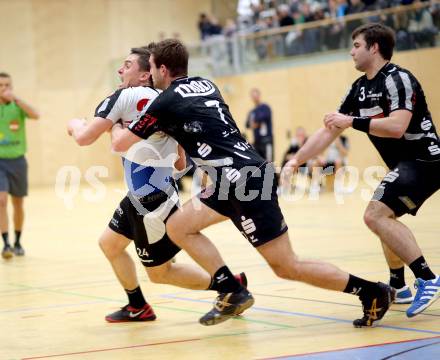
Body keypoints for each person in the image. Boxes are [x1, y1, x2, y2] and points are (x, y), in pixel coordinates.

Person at [112, 38, 395, 328]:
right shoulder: (207, 84)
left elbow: (122, 143)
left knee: (286, 266)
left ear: (160, 69)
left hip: (246, 181)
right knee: (178, 226)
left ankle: (371, 291)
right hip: (234, 178)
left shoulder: (165, 102)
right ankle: (231, 289)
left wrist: (114, 115)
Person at [67, 47, 247, 322]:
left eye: (127, 65)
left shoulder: (124, 96)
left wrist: (74, 124)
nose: (119, 70)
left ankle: (229, 286)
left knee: (160, 273)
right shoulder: (166, 103)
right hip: (151, 194)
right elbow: (179, 165)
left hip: (150, 202)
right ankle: (137, 305)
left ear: (143, 76)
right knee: (109, 244)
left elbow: (83, 138)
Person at [283, 23, 440, 317]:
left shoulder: (398, 79)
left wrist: (352, 122)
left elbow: (397, 127)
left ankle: (428, 279)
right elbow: (329, 130)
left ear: (374, 47)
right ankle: (399, 287)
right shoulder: (358, 89)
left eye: (356, 45)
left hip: (426, 161)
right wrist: (297, 160)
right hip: (404, 165)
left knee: (375, 214)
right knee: (384, 217)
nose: (351, 51)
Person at [0, 72, 39, 259]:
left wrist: (16, 99)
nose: (5, 89)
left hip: (18, 161)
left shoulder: (18, 106)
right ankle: (6, 244)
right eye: (1, 86)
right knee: (1, 201)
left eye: (8, 85)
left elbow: (36, 115)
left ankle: (17, 242)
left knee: (18, 203)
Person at [246, 88, 274, 163]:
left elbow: (262, 117)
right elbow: (247, 124)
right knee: (259, 162)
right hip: (257, 142)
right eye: (253, 96)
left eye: (256, 95)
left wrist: (255, 123)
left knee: (269, 162)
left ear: (259, 95)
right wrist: (253, 123)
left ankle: (272, 174)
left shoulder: (265, 107)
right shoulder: (252, 112)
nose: (255, 97)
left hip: (266, 140)